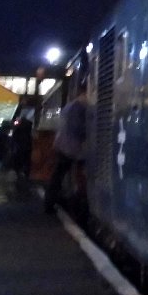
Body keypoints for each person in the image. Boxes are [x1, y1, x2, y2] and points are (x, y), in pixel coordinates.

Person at [44, 80, 88, 214]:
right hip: (70, 148)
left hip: (62, 145)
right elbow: (77, 128)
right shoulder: (78, 107)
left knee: (58, 175)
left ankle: (52, 201)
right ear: (84, 93)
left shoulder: (69, 106)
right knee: (59, 175)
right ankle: (51, 203)